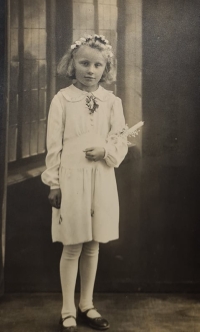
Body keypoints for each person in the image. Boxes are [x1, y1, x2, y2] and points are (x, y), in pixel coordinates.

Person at [41, 34, 128, 332]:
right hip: (71, 179)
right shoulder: (62, 99)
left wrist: (106, 151)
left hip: (101, 178)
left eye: (98, 65)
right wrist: (54, 183)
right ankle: (67, 308)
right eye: (85, 63)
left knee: (93, 244)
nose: (91, 70)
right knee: (72, 245)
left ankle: (86, 304)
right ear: (72, 64)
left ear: (106, 68)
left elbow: (120, 140)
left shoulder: (112, 102)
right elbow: (53, 145)